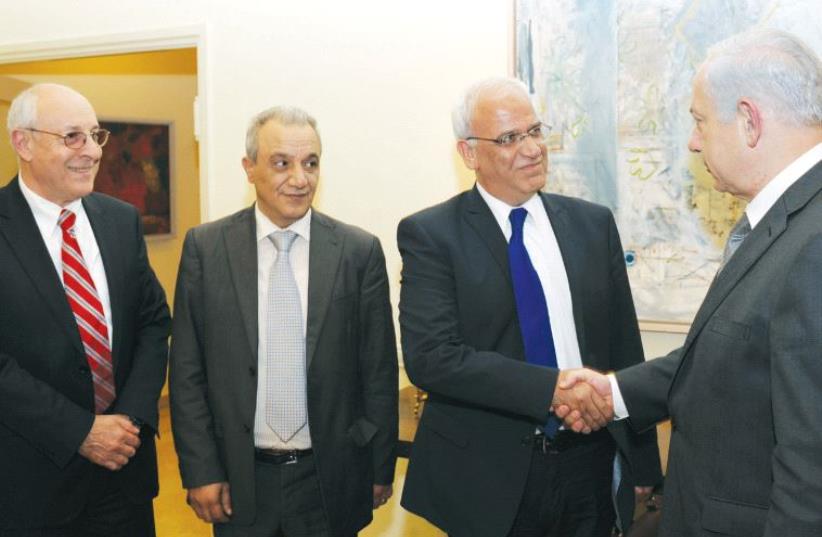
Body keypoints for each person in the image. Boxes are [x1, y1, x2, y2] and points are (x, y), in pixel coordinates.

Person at [560, 29, 822, 536]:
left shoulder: (814, 244)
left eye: (700, 121)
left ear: (749, 121)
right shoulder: (786, 221)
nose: (693, 141)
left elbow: (812, 467)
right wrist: (612, 392)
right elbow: (733, 356)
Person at [397, 76, 662, 537]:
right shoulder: (432, 235)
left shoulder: (591, 224)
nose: (532, 148)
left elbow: (624, 346)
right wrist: (553, 389)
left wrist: (642, 464)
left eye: (535, 131)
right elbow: (433, 358)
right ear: (469, 154)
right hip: (487, 476)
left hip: (591, 465)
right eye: (508, 138)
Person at [169, 106, 398, 537]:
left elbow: (379, 370)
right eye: (282, 163)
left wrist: (378, 466)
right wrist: (200, 469)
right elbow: (186, 369)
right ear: (249, 168)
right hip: (240, 477)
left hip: (330, 476)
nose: (300, 178)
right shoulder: (206, 248)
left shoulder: (357, 251)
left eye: (310, 163)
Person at [0, 83, 171, 535]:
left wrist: (130, 420)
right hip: (33, 485)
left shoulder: (120, 220)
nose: (92, 151)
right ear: (23, 142)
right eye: (73, 136)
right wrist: (81, 431)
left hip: (125, 477)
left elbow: (154, 322)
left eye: (96, 135)